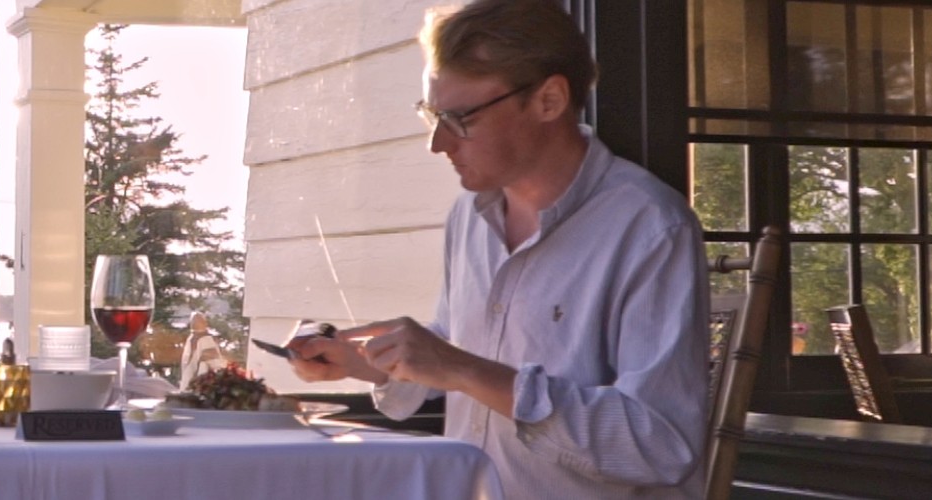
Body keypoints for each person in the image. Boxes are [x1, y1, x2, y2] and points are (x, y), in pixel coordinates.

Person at [284, 1, 710, 498]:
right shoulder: (469, 217)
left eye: (460, 117)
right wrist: (365, 360)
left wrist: (462, 368)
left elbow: (659, 446)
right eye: (432, 115)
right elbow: (466, 349)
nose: (438, 143)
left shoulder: (651, 227)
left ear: (549, 100)